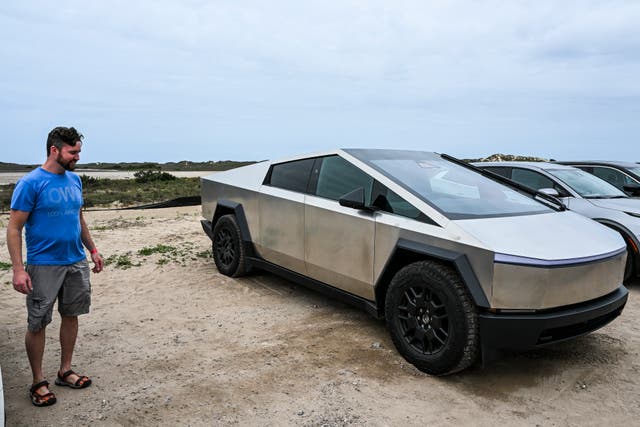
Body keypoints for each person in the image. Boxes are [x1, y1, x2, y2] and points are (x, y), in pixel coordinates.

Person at [6, 126, 104, 407]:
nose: (77, 157)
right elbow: (14, 228)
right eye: (73, 152)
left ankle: (65, 370)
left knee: (71, 315)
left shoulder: (75, 181)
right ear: (54, 150)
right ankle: (38, 381)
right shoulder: (31, 183)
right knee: (38, 322)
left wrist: (93, 250)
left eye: (78, 152)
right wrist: (18, 269)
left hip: (75, 261)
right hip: (43, 265)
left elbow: (79, 220)